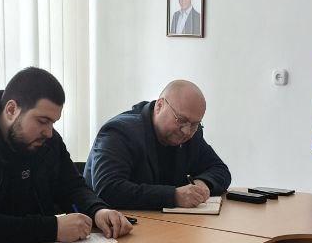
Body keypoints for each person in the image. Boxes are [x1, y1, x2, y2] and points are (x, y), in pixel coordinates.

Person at [0, 66, 133, 243]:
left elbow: (72, 187)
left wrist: (98, 210)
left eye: (53, 122)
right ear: (11, 110)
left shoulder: (46, 141)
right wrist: (52, 228)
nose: (49, 132)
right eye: (42, 121)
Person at [83, 80, 230, 210]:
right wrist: (174, 196)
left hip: (168, 226)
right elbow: (108, 189)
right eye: (181, 120)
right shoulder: (119, 132)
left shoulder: (191, 134)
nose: (186, 131)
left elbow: (220, 169)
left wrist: (203, 183)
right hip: (114, 228)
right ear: (159, 106)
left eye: (195, 124)